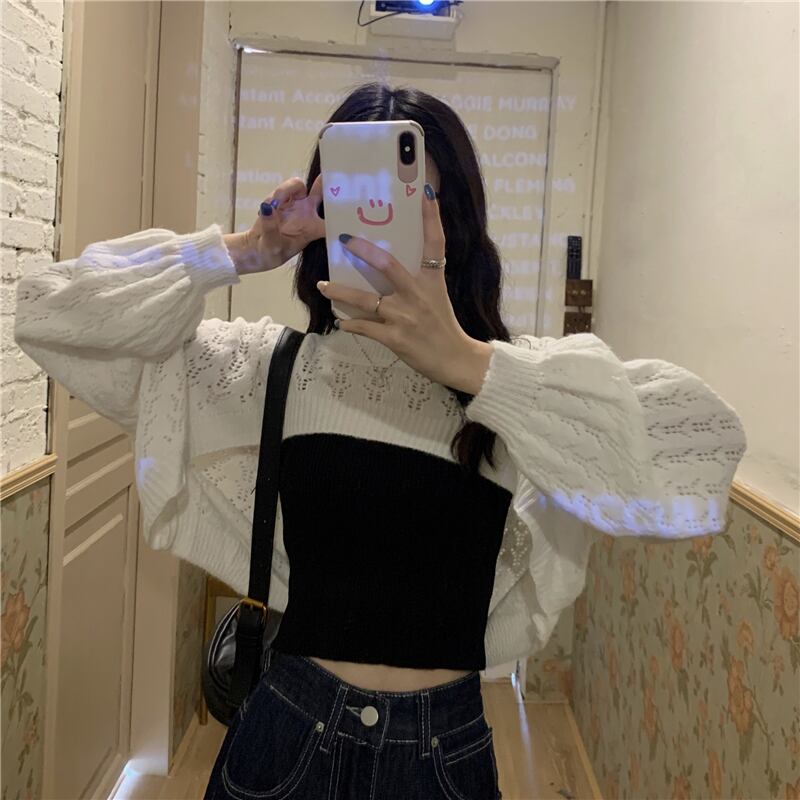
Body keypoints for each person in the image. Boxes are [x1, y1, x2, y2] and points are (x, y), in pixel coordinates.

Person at [14, 82, 746, 799]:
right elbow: (49, 315)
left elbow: (702, 451)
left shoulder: (514, 387)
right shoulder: (274, 370)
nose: (384, 227)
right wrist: (242, 250)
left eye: (418, 204)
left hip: (443, 758)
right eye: (358, 203)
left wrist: (471, 366)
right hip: (285, 742)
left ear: (457, 225)